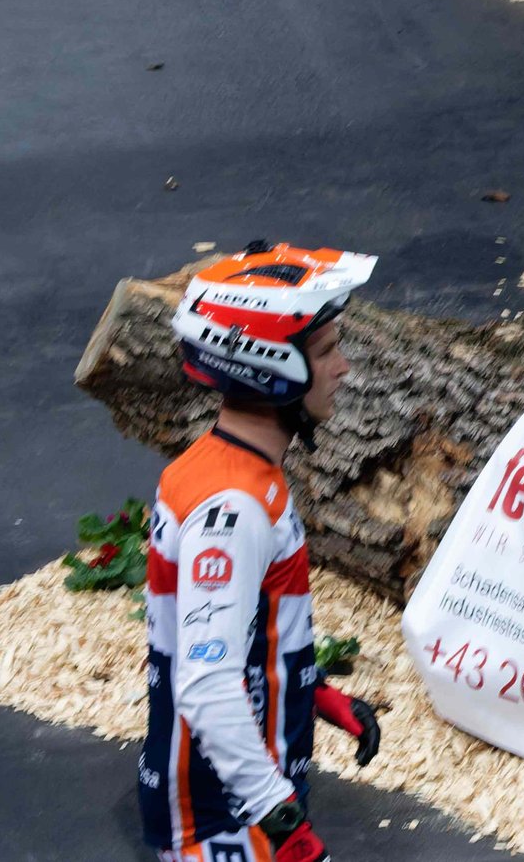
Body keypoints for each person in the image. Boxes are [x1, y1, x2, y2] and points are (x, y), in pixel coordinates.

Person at [144, 244, 385, 862]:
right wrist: (282, 823)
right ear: (269, 363)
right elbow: (204, 683)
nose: (345, 367)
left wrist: (317, 693)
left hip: (243, 801)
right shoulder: (233, 510)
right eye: (328, 350)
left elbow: (237, 634)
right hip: (228, 821)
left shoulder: (232, 472)